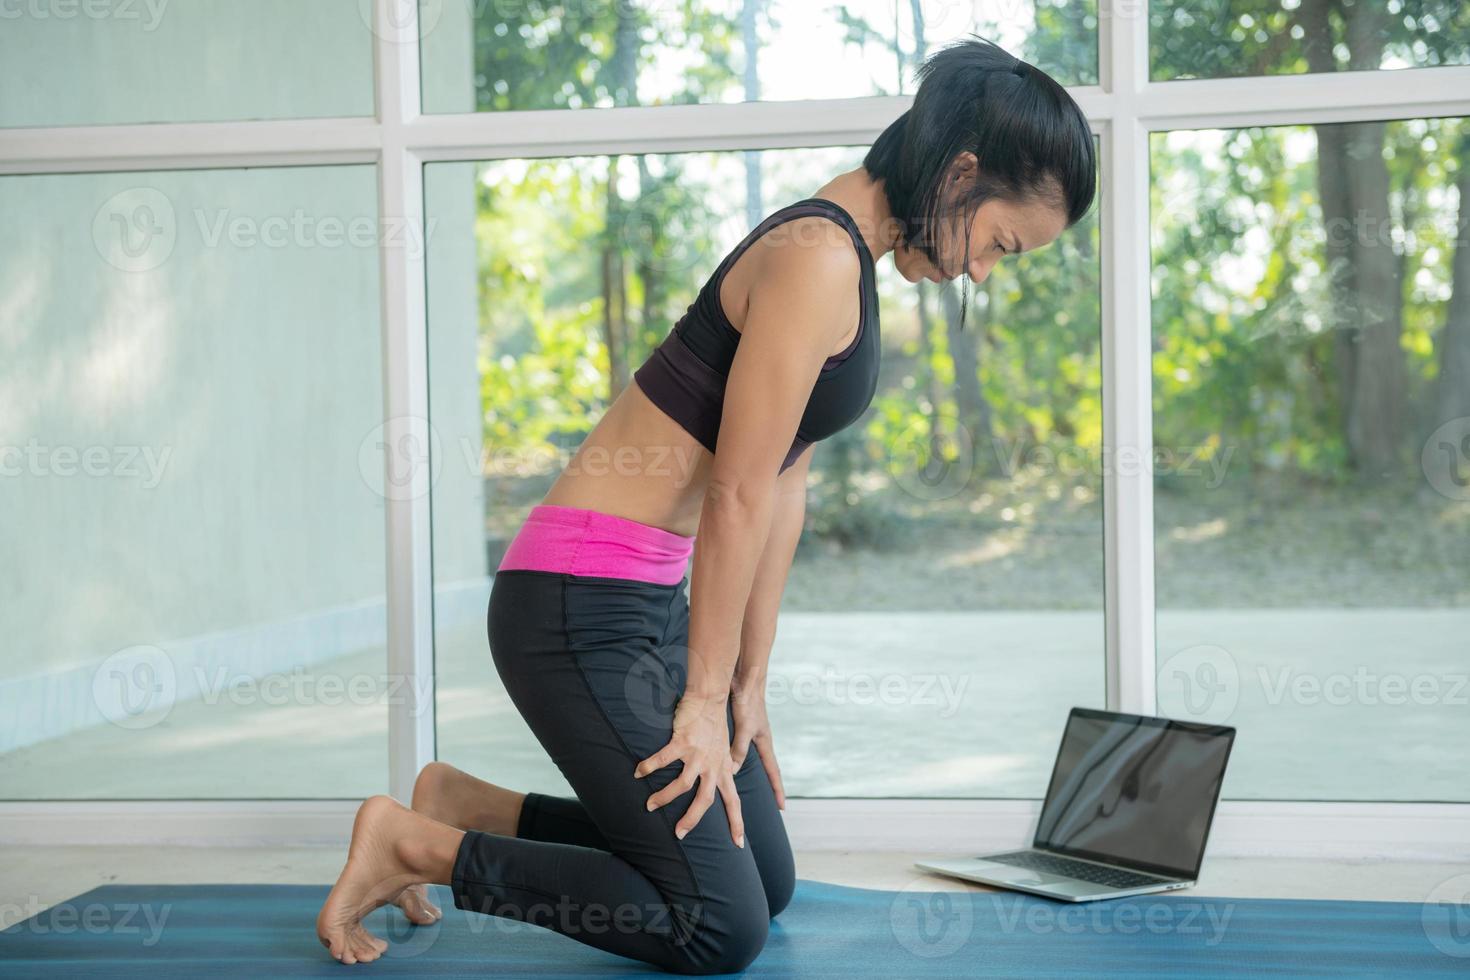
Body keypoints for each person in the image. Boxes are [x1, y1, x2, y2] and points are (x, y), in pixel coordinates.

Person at [316, 33, 1096, 973]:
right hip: (570, 606)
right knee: (720, 926)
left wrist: (743, 686)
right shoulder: (816, 256)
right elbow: (731, 491)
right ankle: (418, 846)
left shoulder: (856, 260)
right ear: (962, 172)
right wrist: (695, 696)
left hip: (644, 603)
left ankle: (464, 805)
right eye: (999, 242)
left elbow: (785, 483)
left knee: (764, 883)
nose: (983, 271)